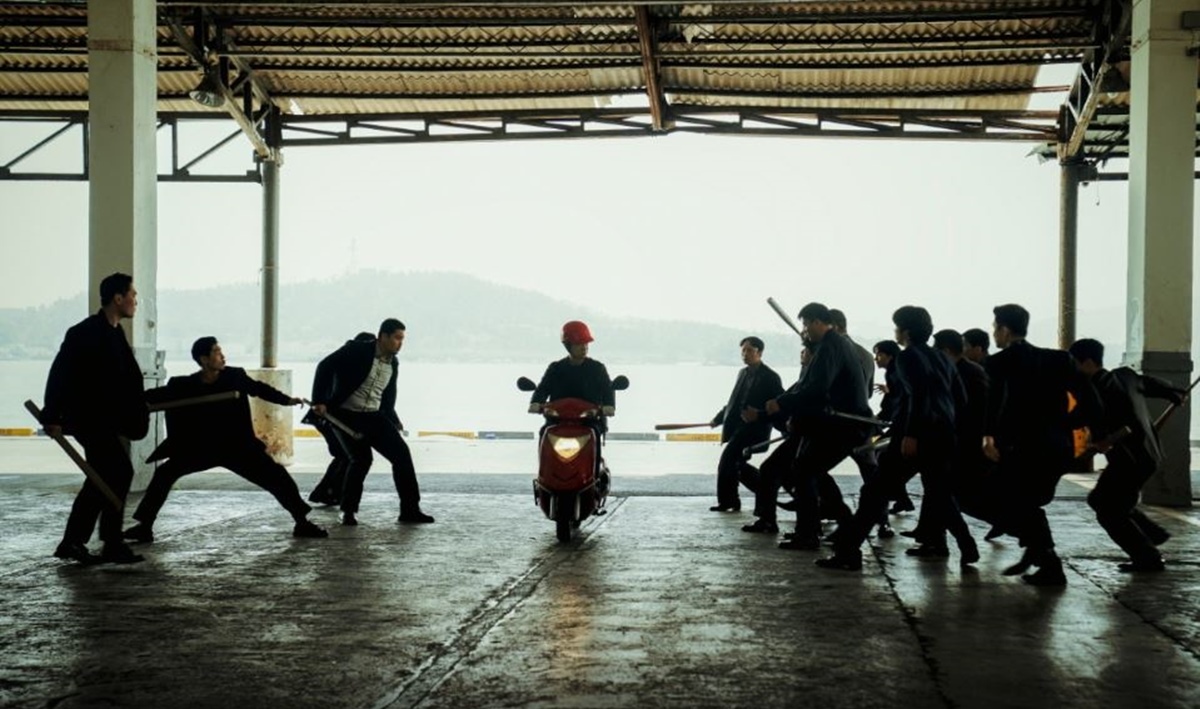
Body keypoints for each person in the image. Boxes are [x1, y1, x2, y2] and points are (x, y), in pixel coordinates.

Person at [817, 306, 977, 570]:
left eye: (897, 328)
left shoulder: (907, 358)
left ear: (906, 332)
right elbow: (960, 398)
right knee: (940, 494)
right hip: (943, 437)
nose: (896, 332)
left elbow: (917, 396)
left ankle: (847, 553)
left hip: (914, 438)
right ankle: (966, 544)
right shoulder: (941, 358)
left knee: (873, 493)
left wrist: (910, 435)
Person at [123, 337, 328, 542]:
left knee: (276, 476)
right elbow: (156, 395)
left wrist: (288, 400)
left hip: (237, 447)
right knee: (164, 473)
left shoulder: (234, 376)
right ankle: (144, 526)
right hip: (201, 448)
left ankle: (302, 522)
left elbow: (259, 389)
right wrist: (127, 402)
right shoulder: (185, 385)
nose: (223, 356)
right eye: (217, 352)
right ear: (204, 359)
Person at [983, 304, 1103, 587]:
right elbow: (1092, 401)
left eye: (995, 328)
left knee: (1005, 498)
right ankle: (1040, 555)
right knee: (1027, 501)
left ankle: (1045, 558)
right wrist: (1067, 423)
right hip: (1057, 446)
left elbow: (992, 407)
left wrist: (988, 437)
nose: (994, 333)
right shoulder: (1059, 359)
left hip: (1019, 447)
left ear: (1004, 330)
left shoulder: (998, 363)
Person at [41, 273, 149, 565]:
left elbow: (124, 380)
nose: (136, 301)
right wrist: (51, 415)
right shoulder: (85, 332)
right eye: (133, 295)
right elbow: (60, 373)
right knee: (117, 473)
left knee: (104, 477)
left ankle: (76, 541)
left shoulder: (115, 332)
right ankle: (108, 542)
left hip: (108, 420)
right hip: (88, 419)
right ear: (118, 298)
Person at [1069, 338, 1184, 572]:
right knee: (1107, 501)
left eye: (1074, 365)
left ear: (1088, 363)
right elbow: (1150, 383)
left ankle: (1148, 557)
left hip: (1129, 460)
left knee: (1108, 510)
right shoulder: (1125, 376)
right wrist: (1173, 393)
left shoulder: (1095, 389)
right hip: (1148, 455)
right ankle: (1153, 534)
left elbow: (1077, 419)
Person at [766, 302, 872, 550]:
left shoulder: (831, 347)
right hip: (837, 424)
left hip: (843, 425)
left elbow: (817, 388)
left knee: (804, 471)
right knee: (806, 471)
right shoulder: (835, 344)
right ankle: (820, 528)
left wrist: (782, 403)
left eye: (806, 325)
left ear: (816, 321)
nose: (805, 330)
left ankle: (811, 533)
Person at [311, 318, 433, 526]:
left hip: (374, 416)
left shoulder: (393, 363)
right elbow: (325, 366)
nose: (400, 344)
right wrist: (319, 400)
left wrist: (393, 419)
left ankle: (410, 510)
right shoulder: (357, 349)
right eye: (397, 338)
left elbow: (388, 396)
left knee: (402, 456)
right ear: (383, 336)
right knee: (361, 460)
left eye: (402, 339)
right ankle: (348, 511)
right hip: (346, 415)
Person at [708, 336, 783, 512]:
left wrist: (760, 416)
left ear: (760, 352)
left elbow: (779, 404)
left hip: (755, 429)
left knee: (727, 460)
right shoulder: (742, 373)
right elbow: (733, 402)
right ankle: (763, 491)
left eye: (749, 350)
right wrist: (718, 419)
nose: (745, 354)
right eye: (743, 350)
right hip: (738, 428)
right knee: (736, 465)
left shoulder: (770, 377)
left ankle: (729, 501)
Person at [305, 331, 376, 506]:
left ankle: (327, 492)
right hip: (328, 418)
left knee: (344, 455)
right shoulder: (349, 366)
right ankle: (326, 492)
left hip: (327, 418)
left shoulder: (346, 364)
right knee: (347, 455)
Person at [529, 320, 615, 420]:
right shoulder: (556, 368)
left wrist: (609, 405)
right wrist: (536, 402)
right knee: (546, 429)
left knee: (598, 427)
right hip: (558, 420)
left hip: (590, 420)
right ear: (568, 345)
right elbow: (543, 388)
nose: (584, 348)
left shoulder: (597, 368)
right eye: (579, 344)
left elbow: (607, 389)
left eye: (586, 344)